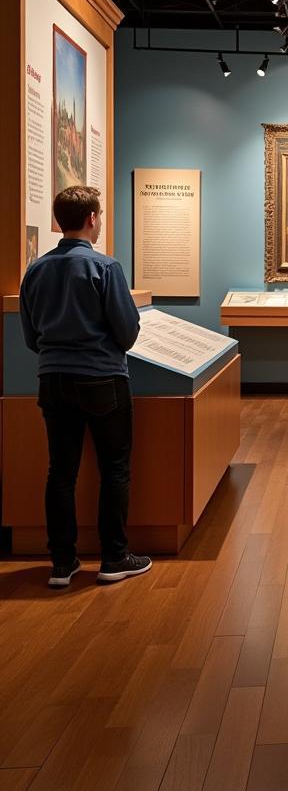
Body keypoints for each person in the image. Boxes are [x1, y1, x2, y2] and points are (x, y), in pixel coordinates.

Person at [19, 186, 151, 587]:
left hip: (52, 379)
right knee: (115, 468)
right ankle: (114, 557)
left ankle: (62, 563)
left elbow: (30, 337)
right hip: (102, 379)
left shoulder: (36, 270)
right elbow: (127, 332)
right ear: (93, 218)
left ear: (59, 220)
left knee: (60, 472)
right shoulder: (105, 268)